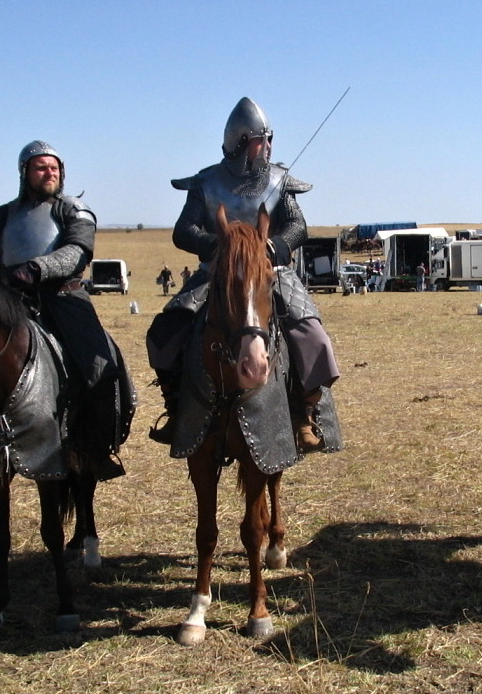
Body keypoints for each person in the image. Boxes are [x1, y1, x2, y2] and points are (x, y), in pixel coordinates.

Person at [146, 96, 340, 452]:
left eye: (269, 140)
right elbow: (183, 230)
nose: (267, 147)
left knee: (314, 338)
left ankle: (304, 416)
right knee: (165, 332)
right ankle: (176, 409)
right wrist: (218, 247)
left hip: (271, 271)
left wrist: (273, 246)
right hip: (216, 273)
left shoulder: (279, 179)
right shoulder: (206, 182)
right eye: (260, 140)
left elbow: (298, 225)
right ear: (239, 143)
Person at [0, 139, 129, 478]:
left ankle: (95, 448)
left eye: (54, 168)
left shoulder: (73, 209)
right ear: (24, 172)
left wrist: (37, 268)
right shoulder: (0, 216)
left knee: (99, 369)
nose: (49, 173)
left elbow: (78, 250)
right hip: (10, 300)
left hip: (64, 298)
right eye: (41, 167)